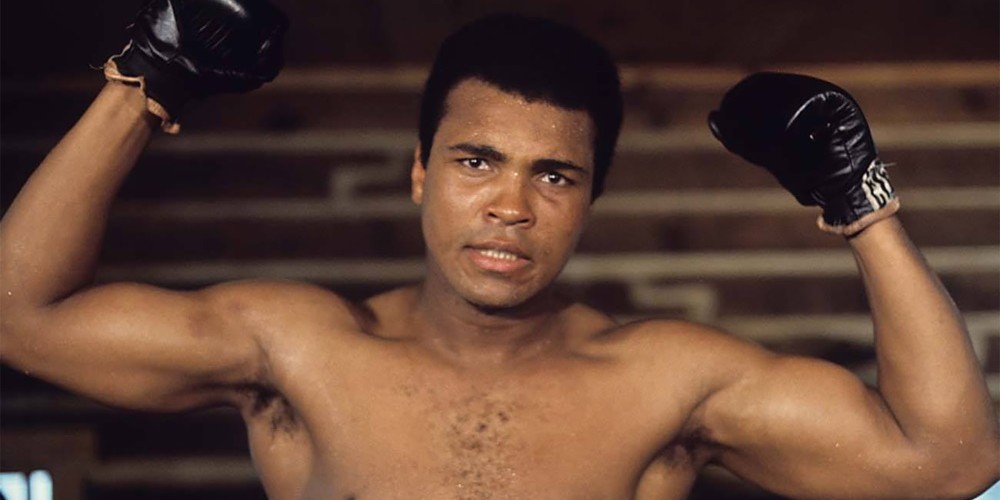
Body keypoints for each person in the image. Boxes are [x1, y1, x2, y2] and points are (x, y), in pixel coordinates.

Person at [1, 1, 997, 498]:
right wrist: (145, 82)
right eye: (477, 161)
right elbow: (21, 316)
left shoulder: (666, 379)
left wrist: (858, 203)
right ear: (419, 172)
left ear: (589, 200)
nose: (511, 206)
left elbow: (946, 461)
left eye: (554, 176)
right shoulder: (297, 348)